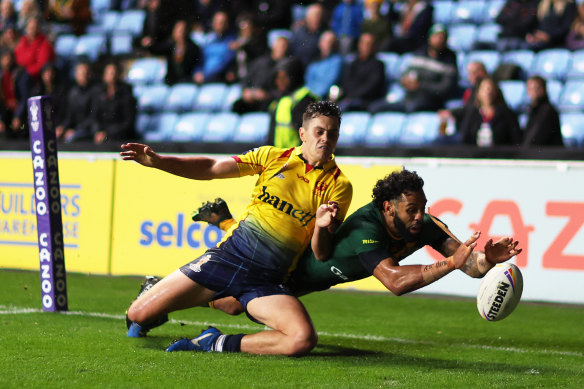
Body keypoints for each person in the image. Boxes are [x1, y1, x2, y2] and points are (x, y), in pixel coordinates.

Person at [121, 101, 353, 356]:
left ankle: (212, 342)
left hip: (266, 280)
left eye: (332, 133)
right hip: (228, 258)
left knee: (302, 339)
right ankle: (155, 287)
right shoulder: (273, 158)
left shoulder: (339, 185)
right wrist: (160, 162)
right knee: (137, 314)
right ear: (303, 133)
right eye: (319, 131)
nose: (325, 138)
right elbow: (211, 168)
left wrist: (321, 227)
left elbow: (321, 253)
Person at [187, 169, 522, 317]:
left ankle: (222, 220)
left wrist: (488, 260)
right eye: (412, 210)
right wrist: (449, 263)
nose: (420, 216)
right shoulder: (366, 226)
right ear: (389, 208)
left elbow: (473, 268)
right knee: (231, 304)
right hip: (289, 267)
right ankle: (170, 284)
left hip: (313, 280)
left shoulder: (427, 226)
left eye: (422, 207)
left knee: (239, 305)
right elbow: (395, 282)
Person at [369, 24, 457, 114]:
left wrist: (420, 85)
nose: (439, 40)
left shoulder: (449, 60)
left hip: (430, 102)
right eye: (436, 36)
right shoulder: (419, 54)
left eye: (442, 37)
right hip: (408, 99)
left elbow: (444, 88)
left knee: (412, 108)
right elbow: (406, 74)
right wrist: (405, 80)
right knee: (376, 107)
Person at [267, 57, 318, 148]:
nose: (280, 82)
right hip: (280, 157)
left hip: (298, 157)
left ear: (294, 77)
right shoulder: (279, 100)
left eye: (284, 77)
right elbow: (271, 134)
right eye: (277, 78)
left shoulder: (305, 101)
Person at [231, 35, 290, 114]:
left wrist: (267, 95)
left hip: (270, 100)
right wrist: (248, 91)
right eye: (278, 46)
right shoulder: (259, 62)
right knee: (238, 105)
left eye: (283, 46)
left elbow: (284, 88)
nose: (281, 49)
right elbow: (246, 80)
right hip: (253, 97)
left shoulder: (287, 66)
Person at [459, 76, 522, 147]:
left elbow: (516, 140)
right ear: (478, 93)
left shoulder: (507, 114)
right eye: (484, 89)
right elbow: (465, 138)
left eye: (490, 89)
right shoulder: (472, 114)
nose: (488, 92)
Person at [436, 61, 488, 143]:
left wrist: (452, 112)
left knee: (439, 143)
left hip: (473, 134)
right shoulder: (471, 90)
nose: (470, 76)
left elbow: (472, 109)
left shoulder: (484, 90)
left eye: (473, 73)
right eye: (469, 73)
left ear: (481, 73)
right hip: (465, 130)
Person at [88, 61, 136, 144]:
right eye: (109, 73)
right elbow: (94, 117)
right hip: (101, 134)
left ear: (119, 74)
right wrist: (97, 131)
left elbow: (127, 122)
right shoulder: (98, 93)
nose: (112, 76)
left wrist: (107, 133)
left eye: (114, 73)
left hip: (119, 136)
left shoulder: (126, 94)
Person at [337, 32, 386, 112]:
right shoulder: (352, 64)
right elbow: (345, 82)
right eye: (364, 43)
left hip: (367, 101)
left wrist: (353, 96)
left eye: (369, 44)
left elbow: (372, 86)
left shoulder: (378, 65)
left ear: (374, 47)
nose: (366, 47)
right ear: (359, 45)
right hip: (349, 99)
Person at [146, 19, 201, 85]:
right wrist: (149, 45)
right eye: (178, 30)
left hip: (187, 82)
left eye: (182, 30)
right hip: (171, 82)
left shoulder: (193, 48)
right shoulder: (171, 45)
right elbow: (156, 50)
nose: (180, 33)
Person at [55, 61, 96, 142]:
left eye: (86, 73)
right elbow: (69, 116)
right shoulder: (72, 93)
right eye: (81, 73)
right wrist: (63, 127)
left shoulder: (96, 92)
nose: (84, 76)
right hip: (75, 129)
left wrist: (75, 130)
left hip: (89, 130)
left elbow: (93, 118)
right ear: (76, 75)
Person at [193, 10, 236, 84]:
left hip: (218, 80)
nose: (220, 25)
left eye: (223, 22)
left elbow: (226, 63)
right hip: (203, 80)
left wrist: (206, 76)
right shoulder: (208, 41)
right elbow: (200, 61)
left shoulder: (232, 42)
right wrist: (197, 72)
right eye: (218, 22)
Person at [521, 75, 564, 147]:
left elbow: (535, 139)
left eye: (536, 88)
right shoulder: (532, 110)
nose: (533, 92)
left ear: (543, 89)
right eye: (530, 88)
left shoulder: (548, 111)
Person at [304, 30, 343, 99]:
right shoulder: (313, 62)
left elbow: (330, 81)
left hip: (324, 98)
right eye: (325, 42)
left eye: (331, 42)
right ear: (320, 44)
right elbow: (308, 81)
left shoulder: (337, 61)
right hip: (309, 96)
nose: (328, 45)